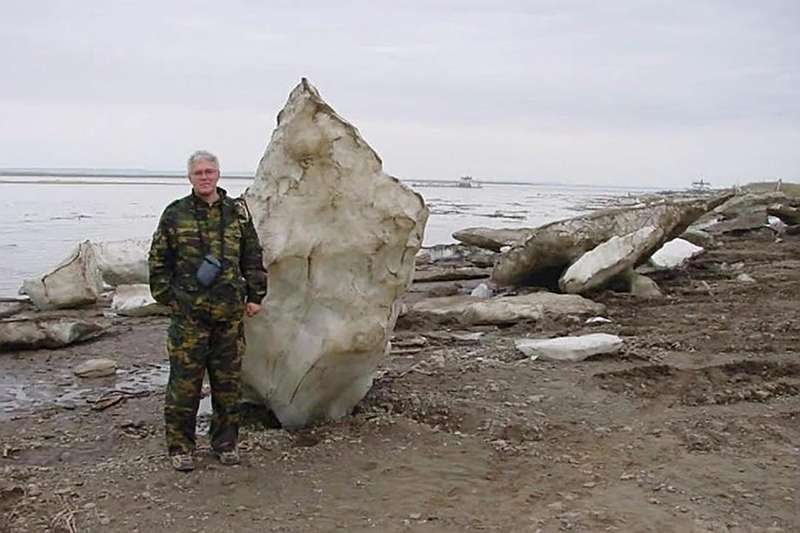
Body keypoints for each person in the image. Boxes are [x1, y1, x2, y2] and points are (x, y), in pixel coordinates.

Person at [148, 150, 267, 472]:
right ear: (190, 177)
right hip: (189, 317)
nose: (204, 177)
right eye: (198, 172)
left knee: (228, 385)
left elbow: (252, 256)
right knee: (184, 386)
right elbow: (158, 260)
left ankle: (225, 444)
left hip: (228, 315)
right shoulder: (175, 214)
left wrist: (256, 295)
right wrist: (168, 297)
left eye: (209, 171)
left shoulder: (236, 213)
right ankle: (180, 448)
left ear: (218, 174)